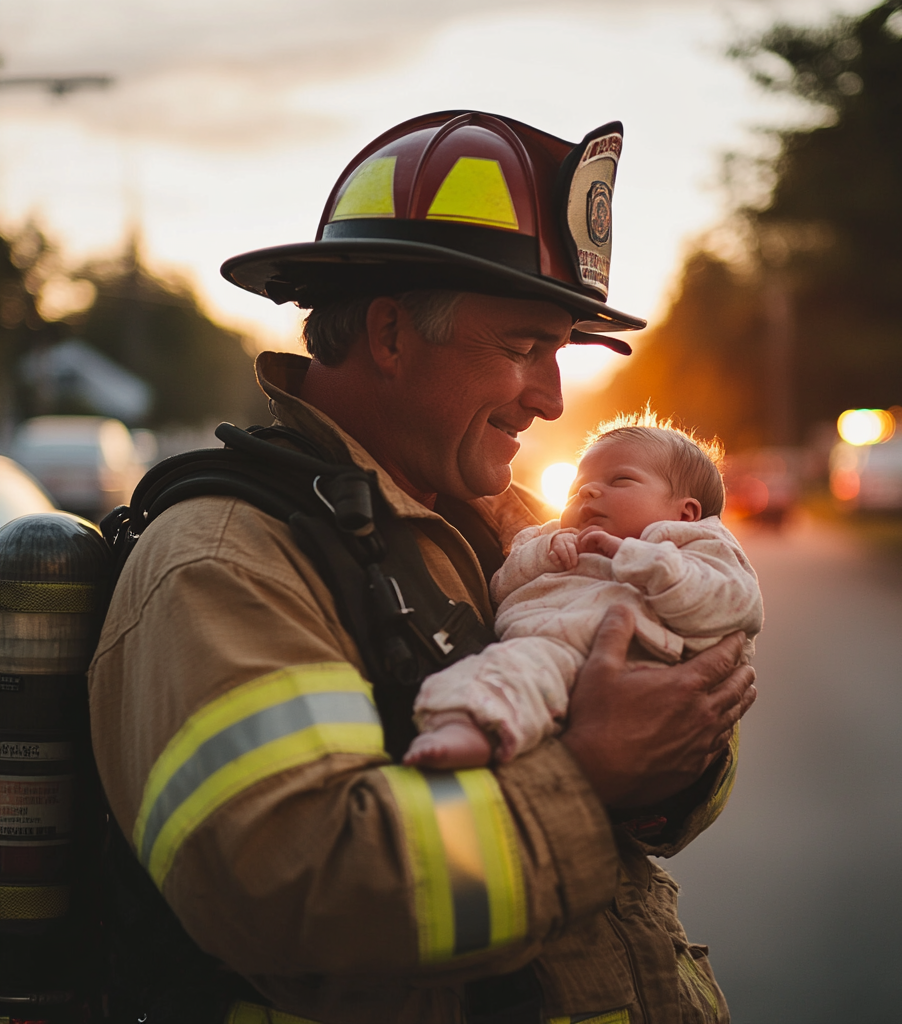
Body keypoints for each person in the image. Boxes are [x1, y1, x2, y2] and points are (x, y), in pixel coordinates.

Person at [89, 111, 757, 1024]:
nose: (552, 400)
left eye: (559, 352)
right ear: (393, 334)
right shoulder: (226, 560)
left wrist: (670, 757)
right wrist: (592, 775)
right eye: (523, 348)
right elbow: (294, 892)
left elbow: (671, 777)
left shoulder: (501, 521)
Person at [406, 416, 763, 769]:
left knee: (520, 680)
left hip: (653, 662)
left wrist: (639, 559)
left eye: (620, 480)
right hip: (553, 648)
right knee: (500, 675)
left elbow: (737, 606)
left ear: (685, 513)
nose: (588, 493)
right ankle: (463, 730)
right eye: (577, 489)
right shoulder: (550, 538)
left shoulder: (699, 544)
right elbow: (502, 586)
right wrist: (546, 552)